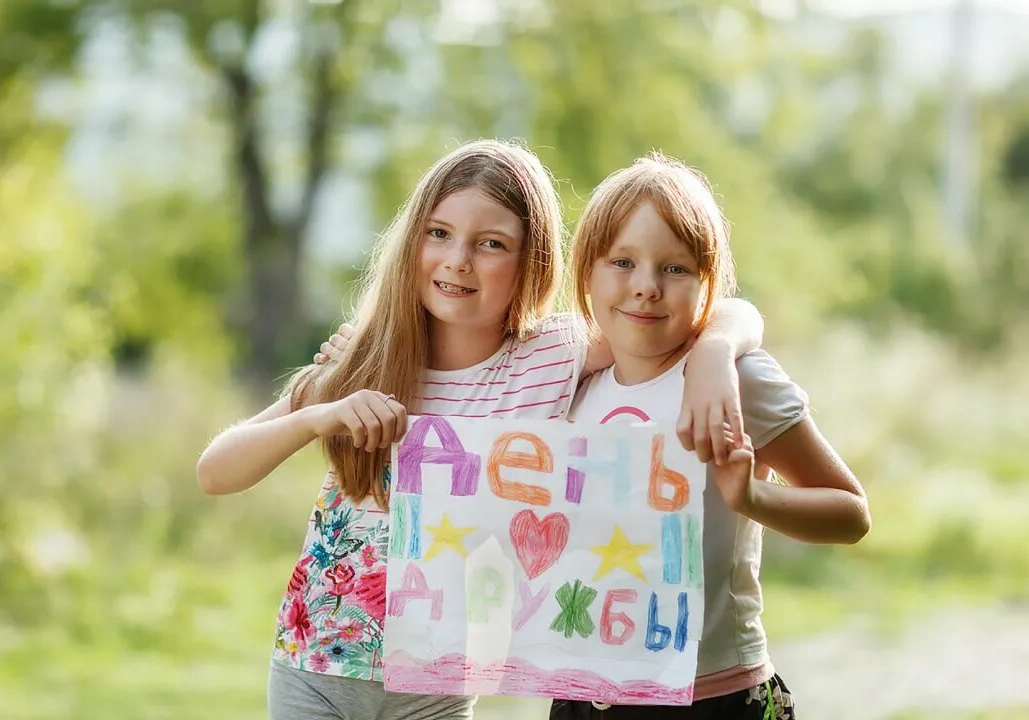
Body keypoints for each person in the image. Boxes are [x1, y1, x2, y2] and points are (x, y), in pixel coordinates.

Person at [197, 140, 765, 720]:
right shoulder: (365, 357)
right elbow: (215, 471)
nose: (457, 261)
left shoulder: (555, 355)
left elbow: (710, 311)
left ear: (532, 261)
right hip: (313, 670)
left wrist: (717, 352)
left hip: (435, 688)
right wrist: (319, 412)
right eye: (438, 233)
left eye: (491, 244)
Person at [551, 153, 871, 720]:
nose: (646, 287)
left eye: (675, 269)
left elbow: (850, 514)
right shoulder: (571, 383)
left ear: (708, 283)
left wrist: (750, 498)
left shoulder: (738, 380)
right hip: (586, 697)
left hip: (717, 696)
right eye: (622, 261)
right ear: (586, 273)